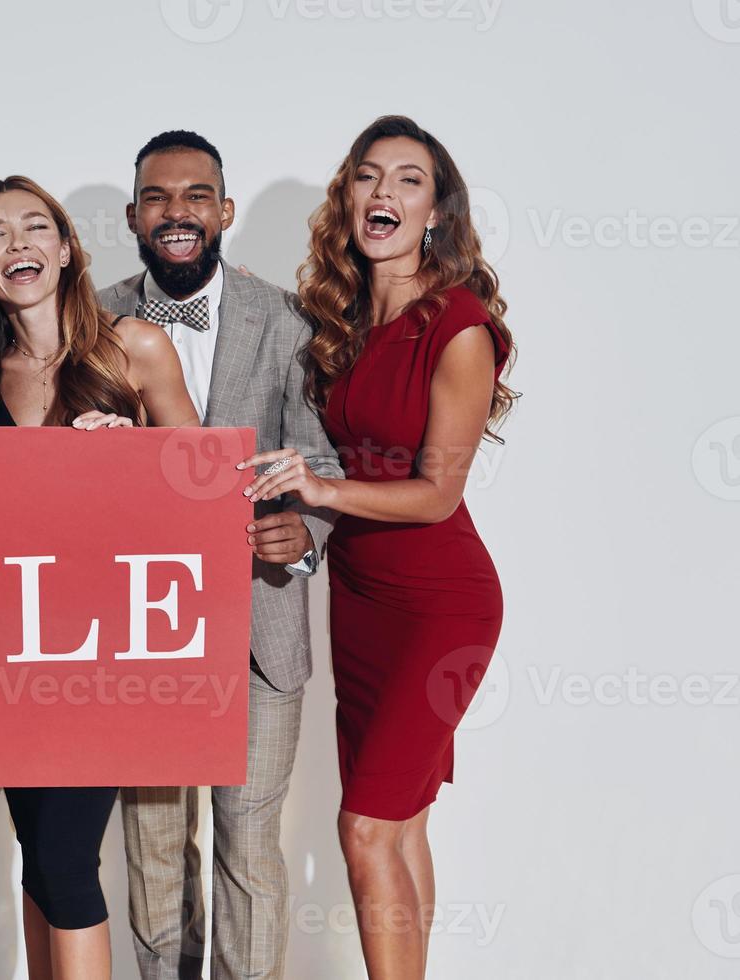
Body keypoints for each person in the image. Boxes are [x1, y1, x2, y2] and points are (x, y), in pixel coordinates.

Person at [0, 174, 198, 980]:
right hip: (8, 662)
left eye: (35, 228)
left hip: (101, 659)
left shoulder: (136, 348)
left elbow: (207, 491)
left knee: (64, 864)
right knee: (40, 861)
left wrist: (134, 459)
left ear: (65, 249)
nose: (17, 245)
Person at [242, 115, 517, 979]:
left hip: (441, 604)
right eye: (368, 176)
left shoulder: (459, 326)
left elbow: (439, 492)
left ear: (436, 210)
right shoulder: (342, 319)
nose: (383, 193)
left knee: (360, 828)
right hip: (358, 602)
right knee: (398, 827)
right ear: (348, 197)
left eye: (407, 179)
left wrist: (320, 490)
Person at [96, 130, 345, 980]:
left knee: (249, 846)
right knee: (156, 847)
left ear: (224, 211)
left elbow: (327, 459)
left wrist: (303, 533)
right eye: (158, 198)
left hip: (259, 624)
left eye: (196, 195)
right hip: (140, 631)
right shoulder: (90, 319)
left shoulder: (286, 321)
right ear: (132, 215)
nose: (177, 212)